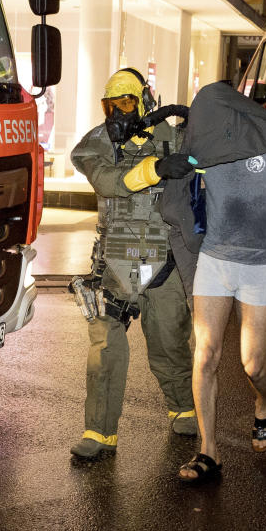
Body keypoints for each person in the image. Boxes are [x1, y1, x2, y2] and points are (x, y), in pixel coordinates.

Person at [175, 82, 266, 483]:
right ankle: (207, 452)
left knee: (253, 364)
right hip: (214, 261)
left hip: (258, 266)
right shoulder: (207, 147)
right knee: (205, 354)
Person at [68, 68, 198, 460]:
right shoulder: (98, 142)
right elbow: (106, 180)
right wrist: (156, 169)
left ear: (144, 101)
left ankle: (185, 410)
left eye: (125, 103)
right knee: (105, 347)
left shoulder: (173, 137)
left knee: (169, 342)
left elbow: (202, 167)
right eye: (111, 105)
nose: (117, 113)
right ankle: (99, 432)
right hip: (118, 264)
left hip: (165, 261)